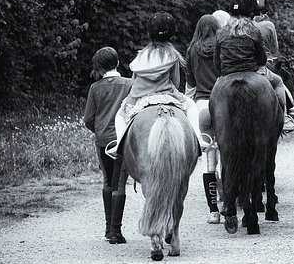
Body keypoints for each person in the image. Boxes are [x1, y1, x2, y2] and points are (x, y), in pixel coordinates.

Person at [105, 12, 210, 159]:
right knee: (192, 106)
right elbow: (176, 82)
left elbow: (134, 80)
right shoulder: (172, 55)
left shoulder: (141, 56)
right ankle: (199, 139)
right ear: (171, 33)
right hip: (167, 94)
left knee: (120, 116)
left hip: (140, 97)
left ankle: (118, 146)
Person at [214, 0, 294, 132]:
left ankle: (211, 128)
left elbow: (217, 63)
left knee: (214, 95)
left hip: (227, 75)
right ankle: (284, 118)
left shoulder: (221, 32)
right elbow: (262, 60)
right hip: (252, 72)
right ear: (251, 14)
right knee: (278, 82)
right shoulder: (253, 29)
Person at [83, 47, 131, 244]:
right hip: (122, 139)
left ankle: (107, 229)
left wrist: (100, 131)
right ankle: (116, 231)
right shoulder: (129, 84)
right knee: (120, 182)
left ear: (100, 68)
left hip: (103, 140)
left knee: (107, 181)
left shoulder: (95, 88)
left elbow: (88, 119)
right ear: (118, 63)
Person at [185, 14, 222, 224]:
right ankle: (228, 204)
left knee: (209, 159)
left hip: (201, 105)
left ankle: (213, 211)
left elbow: (190, 82)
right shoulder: (221, 46)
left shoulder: (192, 50)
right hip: (222, 100)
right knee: (227, 156)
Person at [253, 0, 294, 128]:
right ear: (265, 11)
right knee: (283, 78)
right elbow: (275, 48)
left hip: (243, 64)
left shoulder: (242, 24)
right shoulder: (268, 25)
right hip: (265, 62)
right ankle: (287, 112)